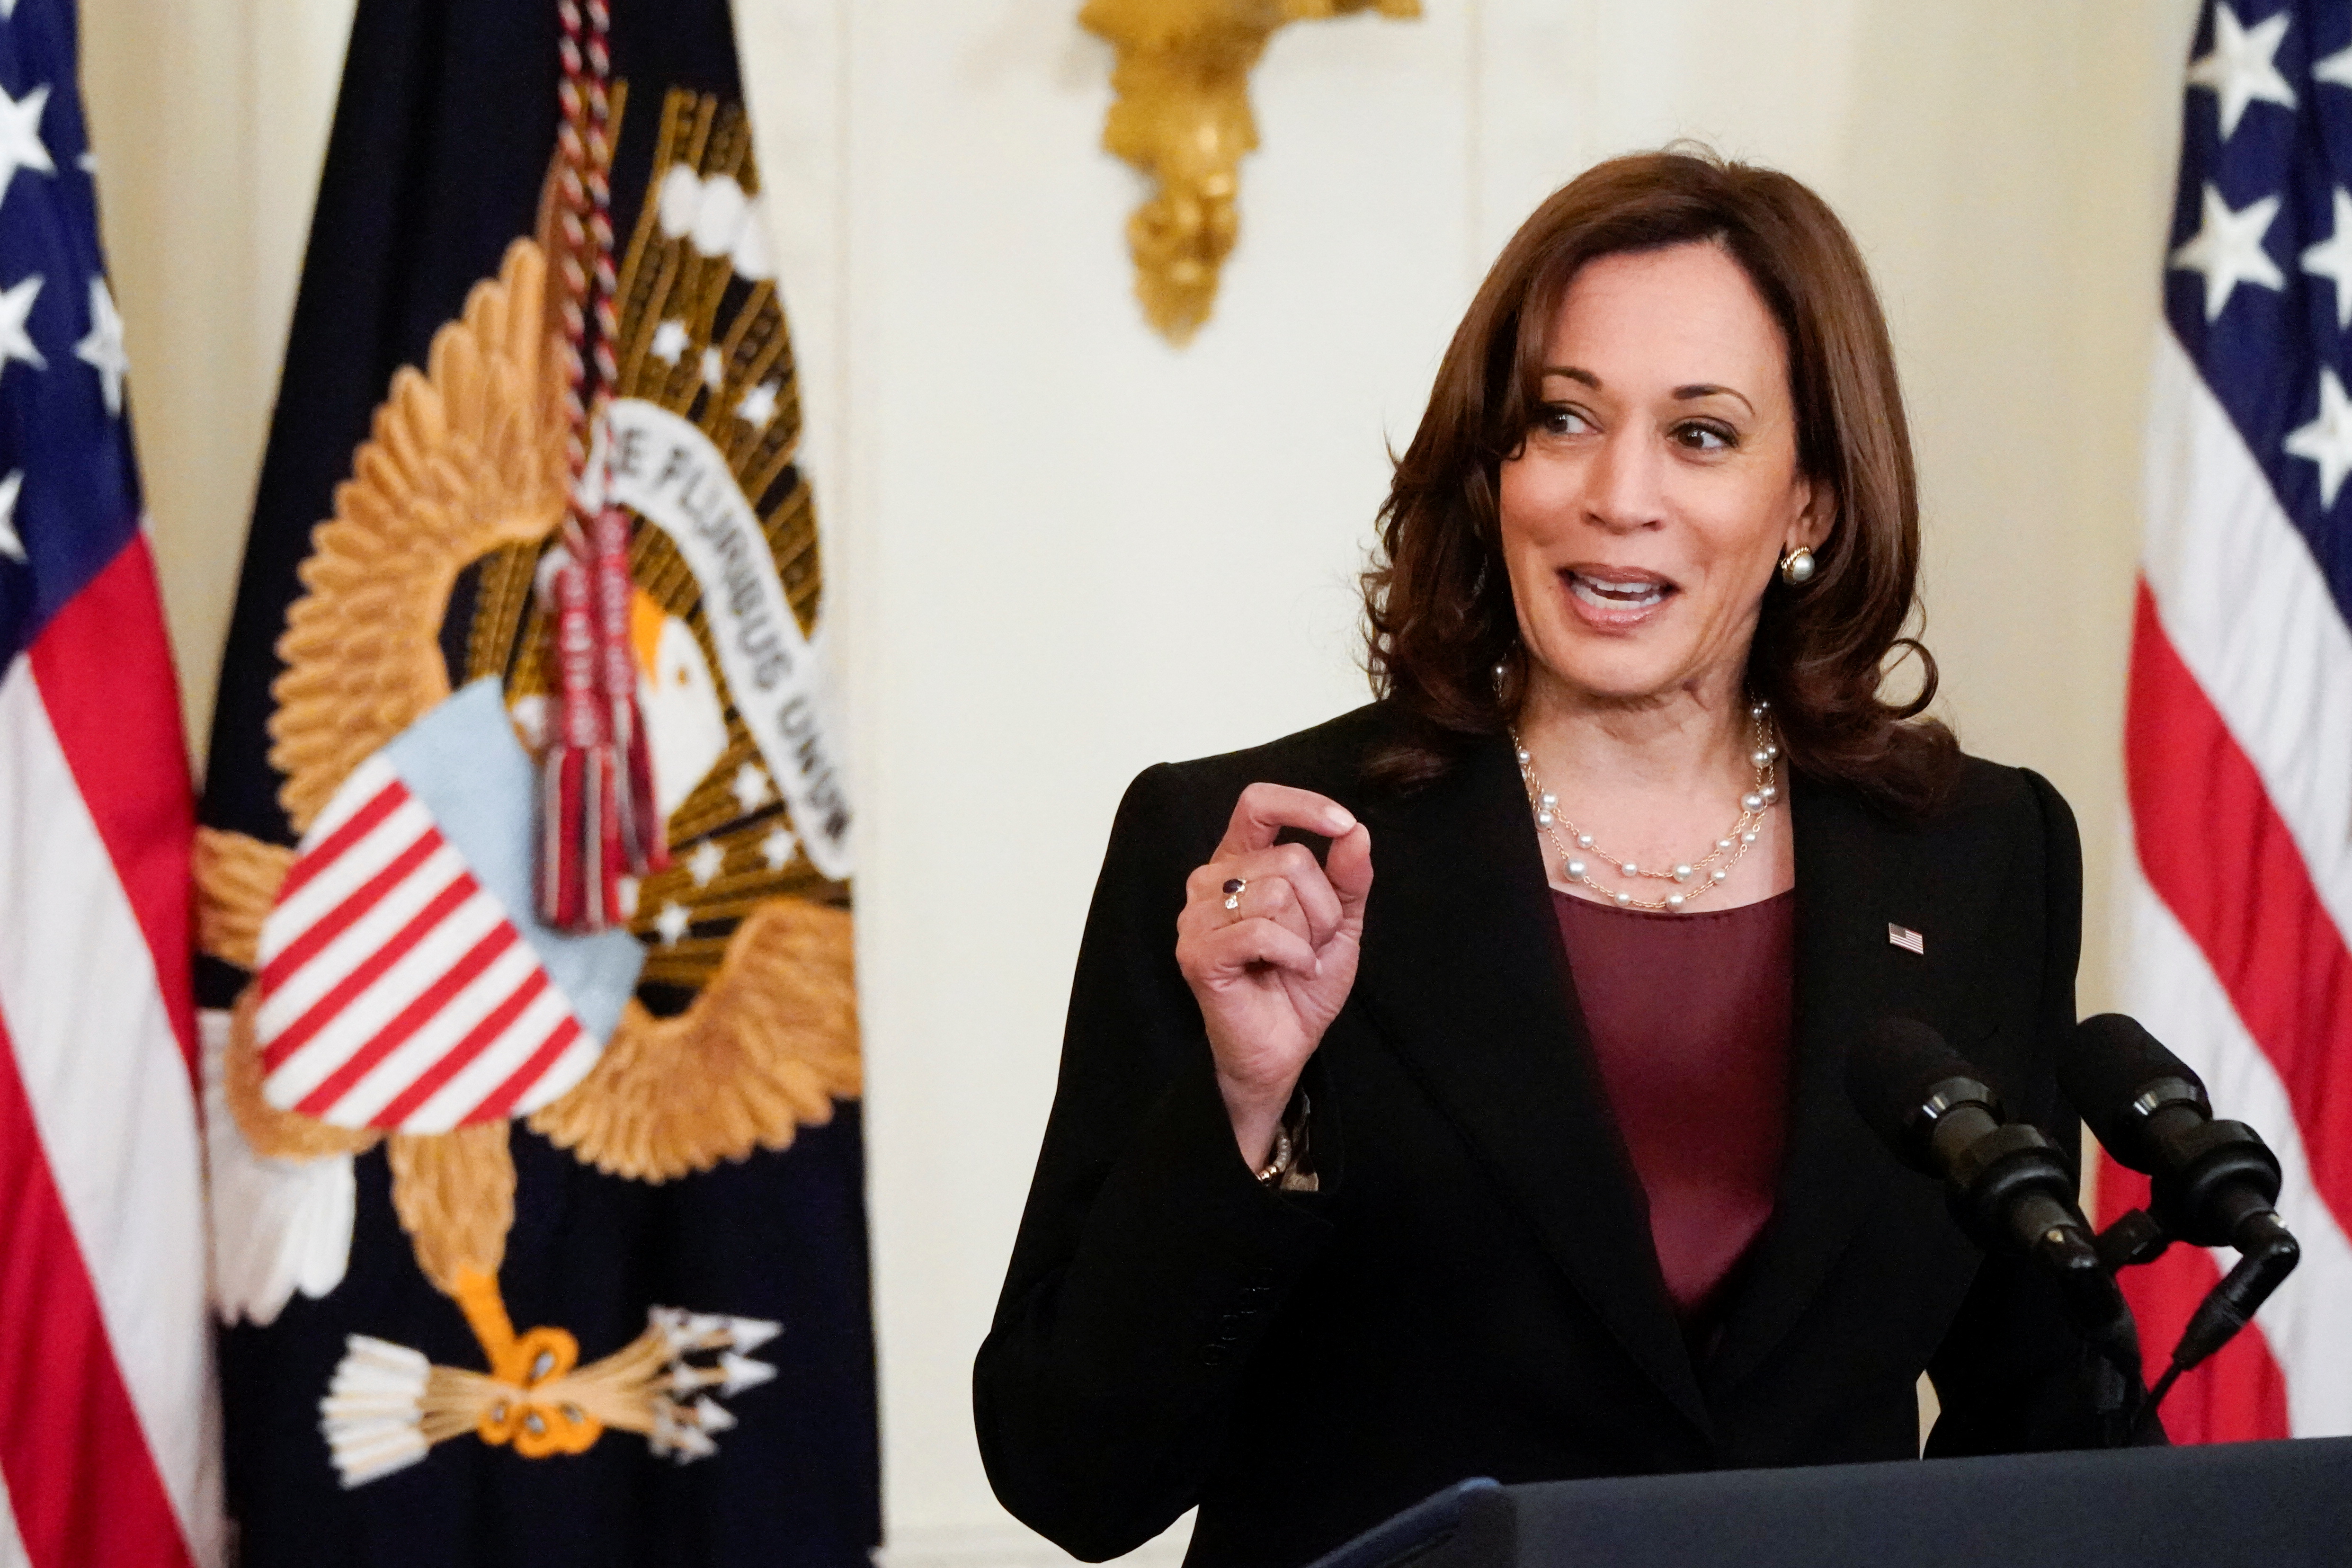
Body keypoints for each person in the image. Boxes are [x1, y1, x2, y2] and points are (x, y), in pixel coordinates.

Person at [973, 147, 2110, 1568]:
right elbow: (1069, 1473)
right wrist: (1249, 1113)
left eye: (1701, 435)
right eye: (1562, 420)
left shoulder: (1980, 854)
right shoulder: (1266, 851)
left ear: (1810, 499)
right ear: (1493, 465)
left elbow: (2041, 1416)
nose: (1614, 494)